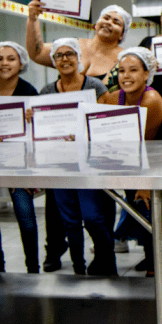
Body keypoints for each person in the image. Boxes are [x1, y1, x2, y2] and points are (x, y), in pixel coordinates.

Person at [38, 38, 113, 276]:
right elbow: (42, 130)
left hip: (90, 164)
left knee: (92, 218)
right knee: (69, 221)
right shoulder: (47, 92)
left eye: (69, 53)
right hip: (61, 165)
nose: (64, 59)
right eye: (58, 55)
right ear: (53, 62)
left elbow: (105, 123)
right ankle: (79, 271)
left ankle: (107, 263)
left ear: (78, 57)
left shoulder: (95, 87)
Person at [0, 41, 41, 273]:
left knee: (27, 218)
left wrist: (33, 119)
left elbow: (36, 133)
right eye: (0, 58)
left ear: (21, 63)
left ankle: (33, 268)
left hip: (18, 164)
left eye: (11, 58)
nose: (5, 63)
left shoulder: (29, 90)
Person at [100, 47, 162, 276]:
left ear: (147, 74)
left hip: (151, 164)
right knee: (136, 213)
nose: (126, 76)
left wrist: (144, 184)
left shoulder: (152, 100)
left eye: (133, 70)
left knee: (148, 213)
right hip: (127, 161)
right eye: (122, 71)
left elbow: (145, 147)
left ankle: (154, 266)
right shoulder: (111, 97)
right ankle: (148, 258)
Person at [26, 0, 131, 90]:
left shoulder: (124, 59)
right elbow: (37, 53)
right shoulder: (71, 45)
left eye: (116, 22)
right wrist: (32, 19)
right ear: (96, 24)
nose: (109, 22)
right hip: (69, 111)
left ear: (122, 34)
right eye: (106, 18)